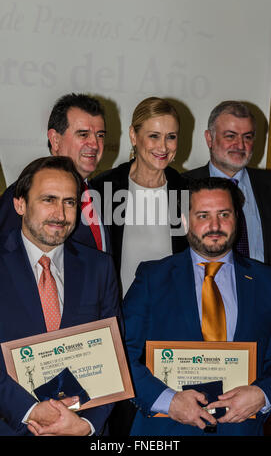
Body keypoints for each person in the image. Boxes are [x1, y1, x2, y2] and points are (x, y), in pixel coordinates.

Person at [123, 177, 271, 436]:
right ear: (184, 220)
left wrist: (264, 394)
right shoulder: (152, 278)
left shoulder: (266, 281)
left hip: (241, 429)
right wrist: (168, 401)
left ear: (237, 217)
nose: (215, 225)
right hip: (165, 431)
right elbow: (121, 355)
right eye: (203, 215)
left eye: (223, 214)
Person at [0, 156, 120, 436]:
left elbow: (114, 355)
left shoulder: (99, 267)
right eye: (48, 200)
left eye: (69, 202)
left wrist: (86, 424)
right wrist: (29, 411)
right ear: (20, 204)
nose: (60, 213)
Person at [92, 96, 188, 297]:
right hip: (119, 315)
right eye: (154, 136)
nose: (163, 147)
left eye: (171, 136)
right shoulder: (103, 188)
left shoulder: (185, 191)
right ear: (133, 136)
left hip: (171, 314)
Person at [0, 93, 111, 253]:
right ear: (55, 140)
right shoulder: (24, 194)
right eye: (83, 134)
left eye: (100, 135)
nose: (94, 144)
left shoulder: (98, 193)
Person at [184, 100, 271, 264]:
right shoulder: (181, 186)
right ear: (210, 138)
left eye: (247, 137)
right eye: (230, 136)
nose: (240, 145)